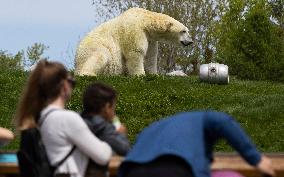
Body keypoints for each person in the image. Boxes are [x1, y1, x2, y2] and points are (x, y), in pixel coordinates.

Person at [14, 60, 112, 177]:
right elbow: (103, 156)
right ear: (64, 86)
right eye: (72, 82)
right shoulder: (67, 118)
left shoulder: (38, 118)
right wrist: (112, 133)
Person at [118, 111, 275, 177]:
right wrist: (256, 158)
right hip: (173, 168)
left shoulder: (153, 128)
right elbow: (223, 121)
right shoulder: (202, 117)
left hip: (131, 170)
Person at [81, 82, 130, 177]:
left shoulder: (78, 120)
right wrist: (121, 135)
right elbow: (126, 149)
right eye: (113, 106)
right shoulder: (103, 128)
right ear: (107, 107)